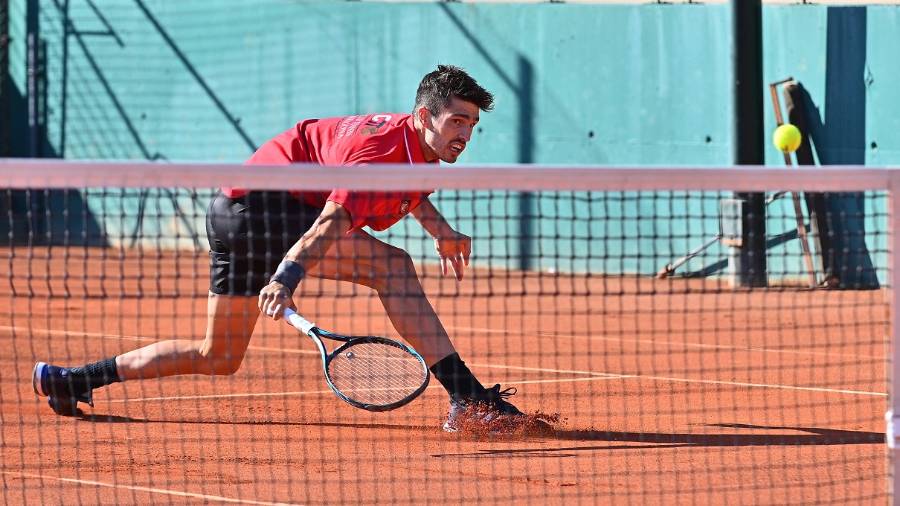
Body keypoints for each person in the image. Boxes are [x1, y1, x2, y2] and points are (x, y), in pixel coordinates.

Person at [32, 64, 522, 432]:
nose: (465, 135)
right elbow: (332, 222)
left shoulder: (413, 149)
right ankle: (468, 397)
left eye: (472, 125)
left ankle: (72, 379)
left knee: (217, 355)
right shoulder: (378, 154)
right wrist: (286, 279)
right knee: (393, 267)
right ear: (424, 116)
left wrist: (439, 229)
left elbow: (403, 192)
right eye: (457, 121)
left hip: (230, 211)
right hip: (265, 213)